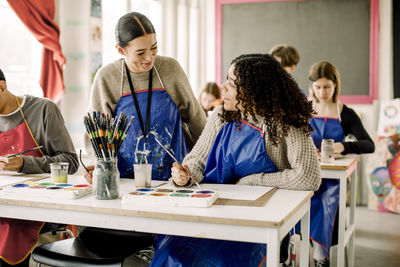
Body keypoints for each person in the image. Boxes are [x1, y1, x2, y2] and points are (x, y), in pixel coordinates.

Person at [149, 54, 321, 267]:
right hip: (214, 212)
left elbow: (309, 176)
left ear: (253, 90)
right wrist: (185, 175)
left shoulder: (284, 122)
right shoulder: (221, 114)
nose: (223, 87)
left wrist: (252, 181)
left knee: (215, 261)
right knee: (173, 254)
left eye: (232, 83)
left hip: (259, 221)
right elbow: (197, 159)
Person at [84, 12, 206, 182]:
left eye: (154, 48)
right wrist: (99, 168)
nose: (149, 58)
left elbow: (198, 123)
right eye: (140, 53)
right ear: (121, 50)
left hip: (174, 179)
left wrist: (197, 166)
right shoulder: (107, 77)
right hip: (123, 181)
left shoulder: (171, 69)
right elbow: (96, 136)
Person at [0, 68, 79, 266]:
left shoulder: (43, 110)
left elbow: (70, 162)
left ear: (2, 87)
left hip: (40, 206)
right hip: (5, 202)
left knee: (9, 227)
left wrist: (24, 163)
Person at [307, 61, 375, 267]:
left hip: (332, 181)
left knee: (324, 200)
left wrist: (343, 147)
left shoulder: (345, 113)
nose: (322, 92)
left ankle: (320, 257)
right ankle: (285, 255)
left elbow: (369, 144)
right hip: (308, 174)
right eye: (317, 87)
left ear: (336, 85)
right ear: (312, 87)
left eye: (327, 86)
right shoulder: (304, 109)